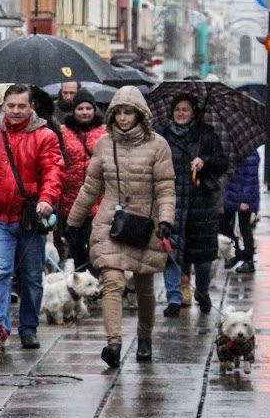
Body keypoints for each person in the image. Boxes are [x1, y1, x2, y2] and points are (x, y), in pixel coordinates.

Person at [65, 86, 175, 367]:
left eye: (129, 112)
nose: (124, 118)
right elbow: (91, 187)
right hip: (111, 221)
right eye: (119, 113)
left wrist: (165, 221)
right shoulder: (104, 143)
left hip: (145, 223)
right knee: (112, 282)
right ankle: (113, 342)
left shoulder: (158, 144)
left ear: (140, 115)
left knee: (144, 286)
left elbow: (165, 188)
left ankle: (145, 336)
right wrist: (73, 222)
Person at [0, 84, 64, 349]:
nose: (16, 111)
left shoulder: (45, 136)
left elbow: (53, 171)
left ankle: (29, 328)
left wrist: (46, 198)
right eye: (11, 106)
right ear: (3, 106)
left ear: (31, 108)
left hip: (30, 218)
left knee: (31, 277)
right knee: (0, 274)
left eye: (21, 106)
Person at [155, 93, 228, 316]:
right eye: (177, 109)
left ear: (194, 112)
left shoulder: (206, 135)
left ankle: (203, 292)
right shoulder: (163, 135)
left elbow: (222, 162)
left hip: (201, 205)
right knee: (172, 252)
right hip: (172, 202)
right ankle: (175, 298)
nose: (181, 113)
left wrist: (205, 162)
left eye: (185, 109)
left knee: (203, 257)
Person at [58, 89, 107, 272]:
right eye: (80, 108)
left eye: (88, 108)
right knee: (75, 245)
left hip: (97, 200)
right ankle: (80, 280)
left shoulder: (104, 132)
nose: (85, 112)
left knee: (94, 243)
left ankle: (94, 280)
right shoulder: (62, 132)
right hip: (69, 200)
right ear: (73, 110)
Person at [221, 150, 260, 274]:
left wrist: (246, 200)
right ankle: (236, 251)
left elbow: (250, 179)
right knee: (222, 223)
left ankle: (248, 260)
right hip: (232, 193)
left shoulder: (250, 154)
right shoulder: (235, 149)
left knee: (244, 226)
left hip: (242, 197)